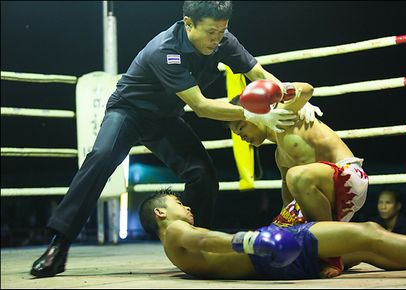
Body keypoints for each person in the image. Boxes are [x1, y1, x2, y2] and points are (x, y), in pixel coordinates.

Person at [30, 1, 320, 278]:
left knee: (203, 174)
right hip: (129, 111)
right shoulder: (165, 49)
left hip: (165, 119)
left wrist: (290, 96)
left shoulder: (224, 39)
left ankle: (199, 245)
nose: (217, 39)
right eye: (211, 32)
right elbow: (202, 106)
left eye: (222, 31)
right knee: (102, 158)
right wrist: (256, 116)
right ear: (188, 24)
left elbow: (257, 73)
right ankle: (59, 244)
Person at [228, 79, 369, 276]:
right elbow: (288, 202)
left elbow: (307, 90)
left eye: (241, 127)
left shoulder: (287, 117)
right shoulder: (280, 154)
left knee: (297, 177)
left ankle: (331, 257)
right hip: (324, 190)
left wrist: (280, 92)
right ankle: (352, 253)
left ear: (254, 116)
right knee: (274, 234)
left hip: (349, 178)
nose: (241, 137)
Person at [138, 188, 406, 280]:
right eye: (178, 203)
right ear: (160, 213)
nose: (187, 206)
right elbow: (202, 239)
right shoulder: (176, 231)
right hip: (274, 250)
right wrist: (252, 240)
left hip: (276, 264)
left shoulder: (175, 253)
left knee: (367, 250)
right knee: (369, 232)